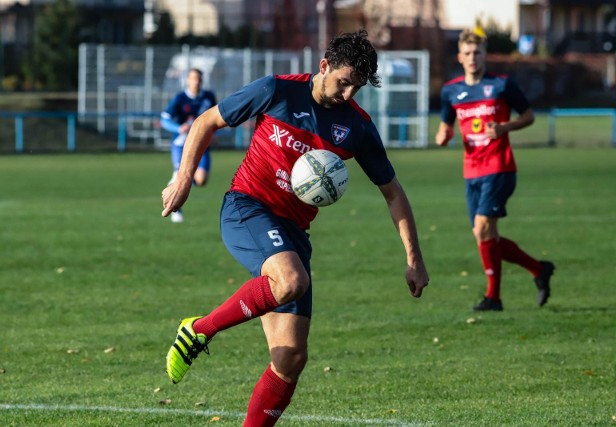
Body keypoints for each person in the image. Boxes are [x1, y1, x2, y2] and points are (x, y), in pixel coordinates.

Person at [161, 30, 430, 426]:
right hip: (246, 207)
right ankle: (199, 330)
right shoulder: (276, 91)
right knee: (290, 281)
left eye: (357, 87)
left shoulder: (357, 128)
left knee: (290, 358)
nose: (349, 94)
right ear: (323, 66)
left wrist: (414, 259)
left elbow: (393, 193)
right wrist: (184, 177)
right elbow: (206, 122)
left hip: (292, 233)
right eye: (343, 82)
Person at [435, 28, 555, 312]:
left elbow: (528, 115)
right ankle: (538, 269)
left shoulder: (502, 86)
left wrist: (505, 127)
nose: (473, 57)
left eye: (477, 52)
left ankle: (493, 298)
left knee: (482, 228)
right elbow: (445, 125)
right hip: (471, 171)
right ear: (460, 57)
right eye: (468, 53)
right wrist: (443, 135)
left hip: (500, 167)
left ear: (485, 54)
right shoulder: (451, 91)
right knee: (485, 236)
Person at [160, 67, 217, 223]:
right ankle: (175, 208)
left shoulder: (208, 97)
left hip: (202, 143)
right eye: (192, 78)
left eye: (198, 79)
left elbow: (216, 117)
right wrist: (178, 128)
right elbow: (164, 120)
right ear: (187, 80)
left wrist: (214, 134)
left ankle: (175, 183)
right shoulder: (179, 99)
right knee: (182, 173)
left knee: (201, 179)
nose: (196, 82)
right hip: (181, 144)